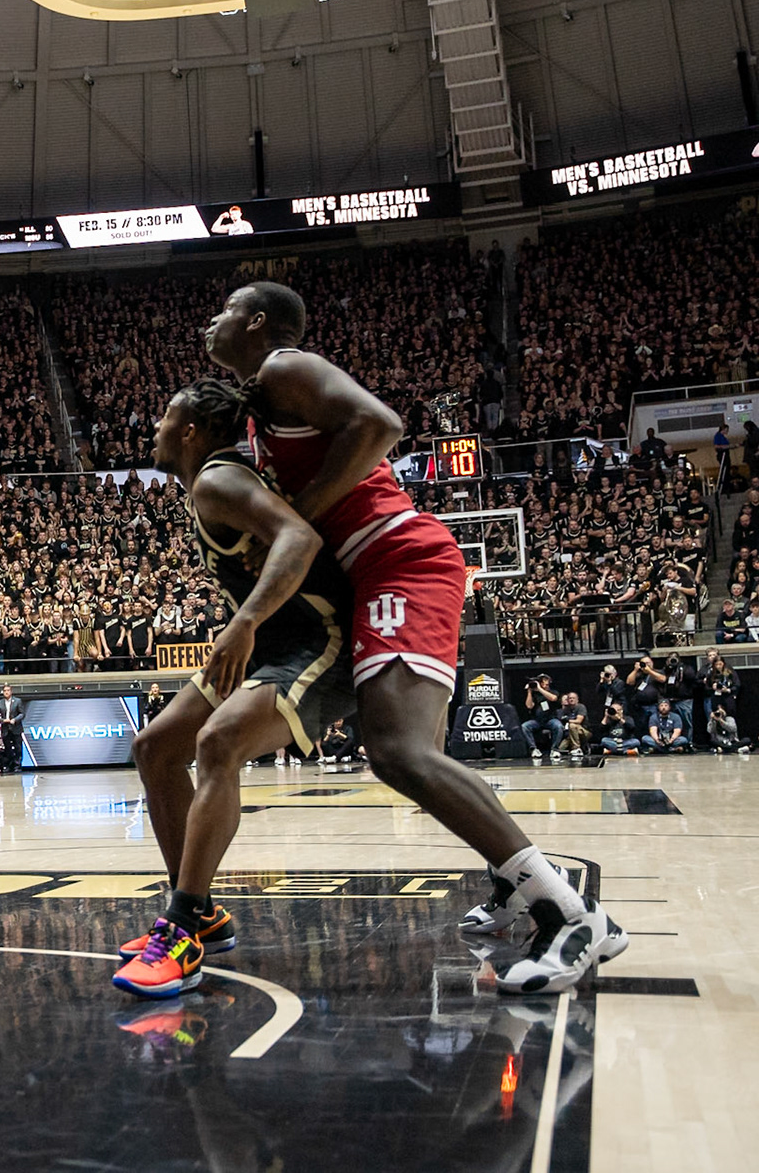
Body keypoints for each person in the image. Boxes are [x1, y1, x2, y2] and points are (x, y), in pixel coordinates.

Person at [204, 282, 626, 993]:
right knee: (414, 755)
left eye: (223, 311)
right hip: (379, 571)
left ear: (255, 321)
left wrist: (298, 515)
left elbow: (381, 423)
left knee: (396, 752)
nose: (209, 322)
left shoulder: (283, 366)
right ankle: (540, 891)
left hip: (400, 557)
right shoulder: (260, 407)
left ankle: (567, 917)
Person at [114, 381, 356, 996]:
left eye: (166, 417)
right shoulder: (216, 483)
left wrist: (243, 620)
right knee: (155, 748)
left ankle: (180, 929)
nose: (157, 428)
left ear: (192, 432)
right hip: (270, 646)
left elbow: (300, 538)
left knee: (216, 743)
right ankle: (202, 914)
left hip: (313, 642)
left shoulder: (217, 479)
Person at [520, 675, 563, 757]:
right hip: (537, 720)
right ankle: (533, 749)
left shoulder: (553, 692)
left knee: (558, 726)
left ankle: (555, 749)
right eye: (543, 684)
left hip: (550, 719)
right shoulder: (535, 695)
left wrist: (540, 689)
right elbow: (529, 706)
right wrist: (529, 692)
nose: (545, 686)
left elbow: (553, 698)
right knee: (525, 726)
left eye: (547, 684)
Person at [0, 684, 26, 772]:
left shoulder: (18, 701)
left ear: (11, 691)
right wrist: (2, 720)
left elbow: (22, 714)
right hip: (5, 728)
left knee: (18, 747)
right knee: (7, 748)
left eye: (8, 690)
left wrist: (15, 719)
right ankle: (8, 765)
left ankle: (17, 765)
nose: (6, 692)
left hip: (16, 728)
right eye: (5, 691)